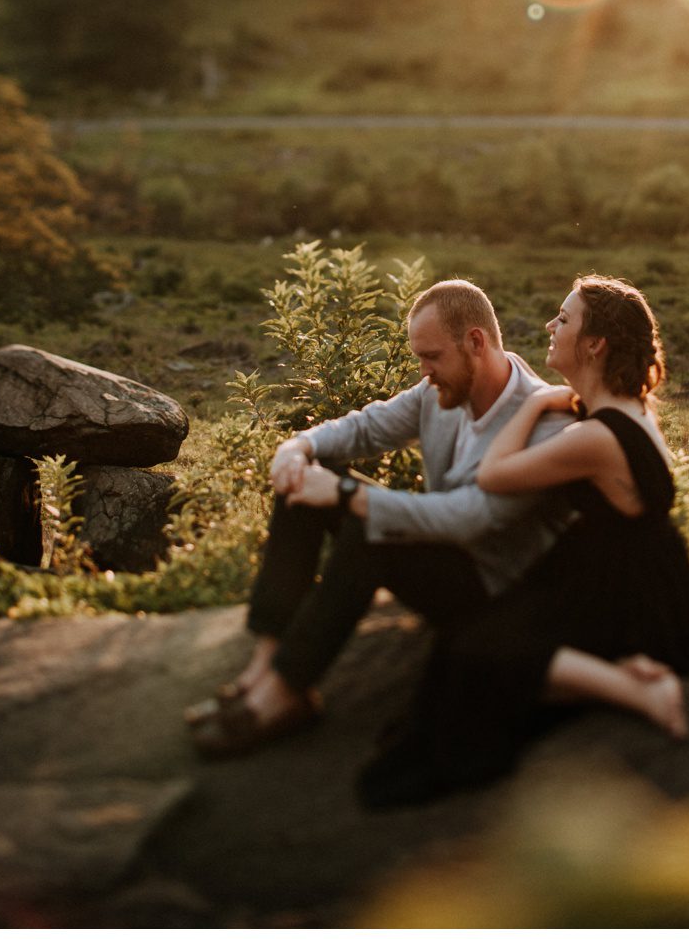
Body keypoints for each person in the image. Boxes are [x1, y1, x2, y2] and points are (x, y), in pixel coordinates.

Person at [343, 274, 689, 809]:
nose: (549, 326)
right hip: (630, 567)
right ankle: (620, 671)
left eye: (563, 319)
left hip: (625, 589)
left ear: (594, 344)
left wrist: (533, 406)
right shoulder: (626, 409)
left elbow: (493, 475)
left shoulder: (596, 436)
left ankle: (639, 689)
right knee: (471, 643)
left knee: (480, 653)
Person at [187, 279, 577, 757]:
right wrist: (298, 447)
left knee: (373, 530)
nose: (424, 371)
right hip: (444, 560)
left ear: (475, 342)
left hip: (492, 592)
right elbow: (369, 426)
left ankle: (288, 691)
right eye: (420, 358)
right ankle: (263, 667)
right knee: (308, 482)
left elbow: (471, 517)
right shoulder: (443, 389)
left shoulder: (549, 423)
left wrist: (350, 494)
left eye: (431, 356)